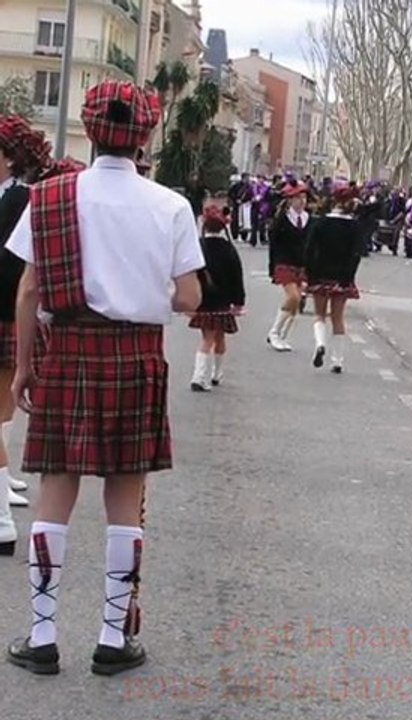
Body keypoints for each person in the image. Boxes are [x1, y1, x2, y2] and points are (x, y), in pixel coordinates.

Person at [4, 79, 204, 676]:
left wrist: (22, 367)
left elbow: (30, 287)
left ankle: (41, 638)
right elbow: (191, 298)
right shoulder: (170, 205)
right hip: (135, 357)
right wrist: (142, 289)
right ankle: (114, 638)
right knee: (124, 495)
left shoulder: (50, 197)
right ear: (145, 135)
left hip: (66, 351)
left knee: (54, 490)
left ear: (90, 130)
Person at [0, 118, 54, 547]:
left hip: (4, 312)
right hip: (7, 313)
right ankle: (3, 490)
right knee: (1, 410)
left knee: (0, 408)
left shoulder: (20, 198)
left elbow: (17, 271)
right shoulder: (14, 195)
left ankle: (0, 515)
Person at [304, 181, 363, 373]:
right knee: (338, 317)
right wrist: (349, 276)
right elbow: (356, 255)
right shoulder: (354, 226)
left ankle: (320, 344)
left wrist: (310, 273)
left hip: (320, 274)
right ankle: (337, 360)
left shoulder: (319, 223)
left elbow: (309, 250)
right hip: (342, 276)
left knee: (319, 315)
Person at [188, 205, 245, 391]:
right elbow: (237, 276)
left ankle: (206, 374)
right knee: (216, 338)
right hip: (222, 301)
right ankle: (206, 376)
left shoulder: (197, 246)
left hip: (202, 299)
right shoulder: (228, 249)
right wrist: (239, 301)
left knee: (208, 336)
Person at [266, 182, 312, 352]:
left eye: (304, 197)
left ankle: (283, 336)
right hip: (284, 262)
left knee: (298, 301)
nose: (302, 201)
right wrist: (272, 266)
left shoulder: (310, 219)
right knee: (292, 297)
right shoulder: (282, 220)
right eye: (298, 198)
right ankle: (274, 332)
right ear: (290, 200)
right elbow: (274, 245)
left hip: (302, 265)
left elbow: (312, 246)